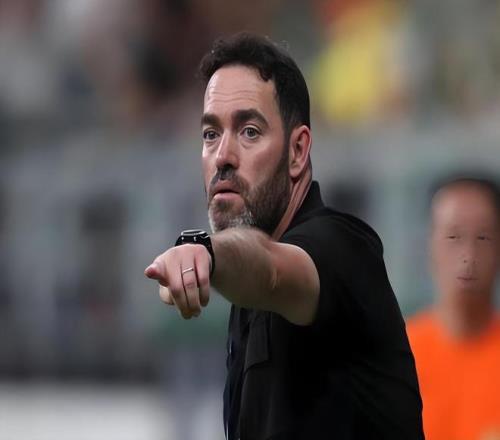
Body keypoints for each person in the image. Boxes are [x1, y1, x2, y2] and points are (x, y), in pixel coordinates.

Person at [145, 32, 424, 440]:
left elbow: (271, 269)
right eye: (210, 134)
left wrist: (204, 250)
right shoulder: (247, 302)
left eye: (249, 131)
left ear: (297, 151)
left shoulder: (341, 248)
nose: (222, 156)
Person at [407, 177, 500, 440]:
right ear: (429, 245)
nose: (468, 254)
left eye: (483, 237)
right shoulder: (397, 357)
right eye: (453, 236)